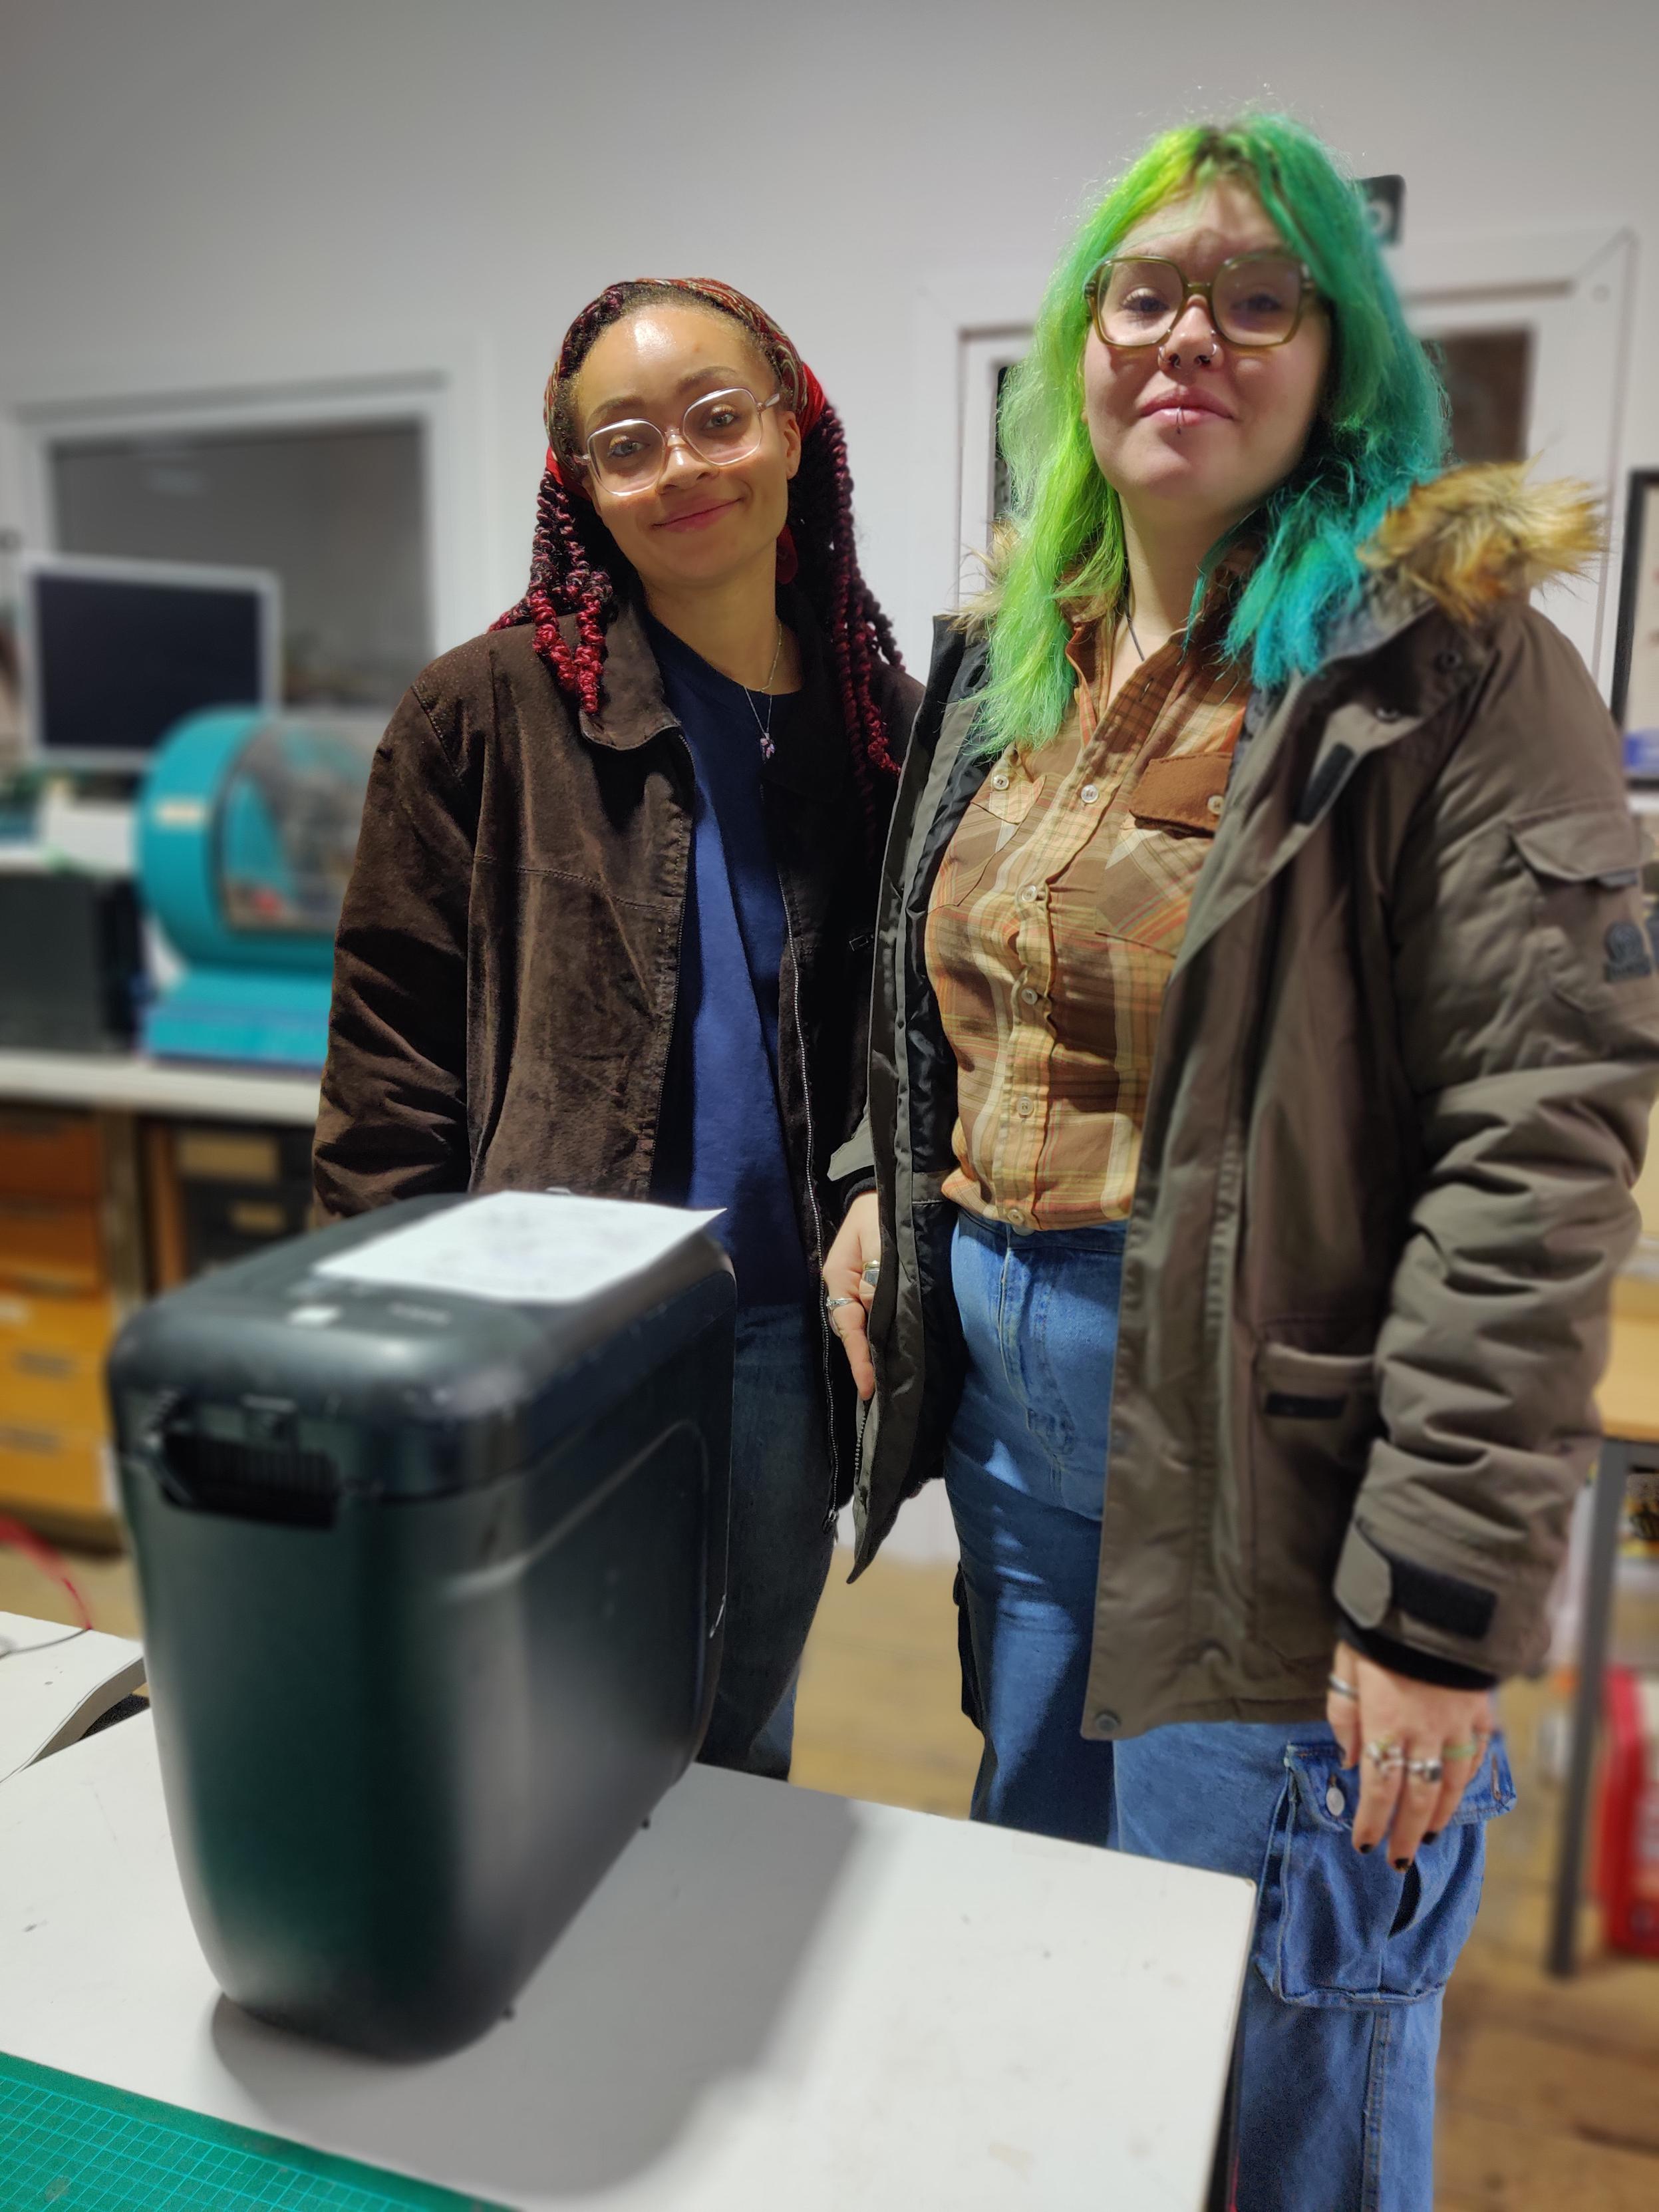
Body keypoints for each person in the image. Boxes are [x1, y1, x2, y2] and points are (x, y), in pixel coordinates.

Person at [823, 116, 1659, 2209]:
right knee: (1062, 1936)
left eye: (1253, 293)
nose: (1188, 329)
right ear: (1076, 345)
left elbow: (1535, 1145)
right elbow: (936, 996)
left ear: (1336, 357)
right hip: (1018, 1435)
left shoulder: (1441, 664)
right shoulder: (1022, 651)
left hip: (1279, 1461)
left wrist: (1436, 1607)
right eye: (1143, 288)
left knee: (1280, 2003)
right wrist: (871, 1182)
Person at [316, 277, 917, 1780]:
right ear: (578, 483)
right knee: (538, 1739)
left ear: (792, 427)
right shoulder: (483, 712)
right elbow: (387, 1067)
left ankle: (708, 2008)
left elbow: (909, 1042)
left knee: (737, 1740)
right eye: (627, 442)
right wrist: (387, 1361)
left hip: (786, 1338)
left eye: (717, 420)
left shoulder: (882, 722)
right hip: (552, 1335)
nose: (681, 469)